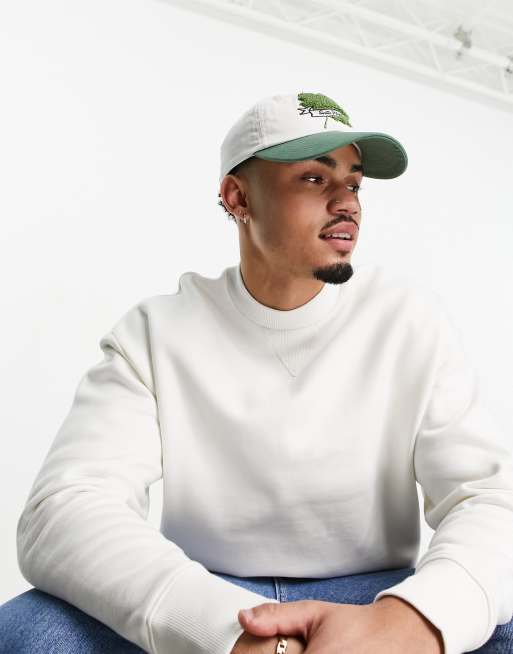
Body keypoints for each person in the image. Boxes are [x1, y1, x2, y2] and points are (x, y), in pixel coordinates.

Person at [2, 91, 513, 654]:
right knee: (30, 633)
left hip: (374, 596)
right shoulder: (156, 332)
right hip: (207, 588)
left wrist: (409, 622)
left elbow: (488, 496)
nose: (347, 203)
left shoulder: (408, 322)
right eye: (315, 179)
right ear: (237, 197)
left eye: (355, 184)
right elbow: (63, 509)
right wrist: (232, 634)